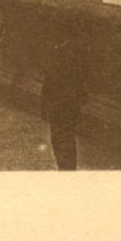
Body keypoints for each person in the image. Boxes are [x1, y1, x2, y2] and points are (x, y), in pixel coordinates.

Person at [41, 31, 90, 170]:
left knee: (62, 135)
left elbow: (55, 70)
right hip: (65, 94)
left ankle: (67, 172)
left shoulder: (67, 48)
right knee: (62, 135)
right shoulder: (70, 45)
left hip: (63, 95)